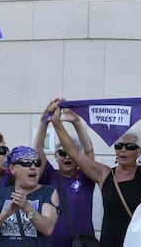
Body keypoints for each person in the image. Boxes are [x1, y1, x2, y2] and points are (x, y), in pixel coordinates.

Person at [50, 95, 141, 247]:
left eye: (129, 147)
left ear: (139, 152)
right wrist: (57, 123)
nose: (123, 150)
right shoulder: (104, 174)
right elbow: (74, 153)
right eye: (119, 146)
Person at [34, 99, 96, 247]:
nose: (67, 156)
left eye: (71, 153)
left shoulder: (86, 177)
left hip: (83, 243)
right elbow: (37, 150)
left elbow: (89, 151)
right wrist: (44, 122)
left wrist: (76, 122)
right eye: (62, 153)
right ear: (55, 156)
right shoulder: (49, 175)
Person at [0, 146, 60, 246]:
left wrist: (27, 207)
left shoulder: (48, 192)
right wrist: (5, 214)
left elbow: (48, 229)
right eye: (26, 163)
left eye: (37, 163)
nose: (33, 167)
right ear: (13, 169)